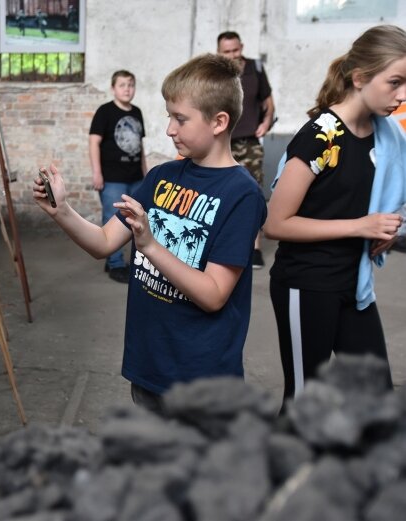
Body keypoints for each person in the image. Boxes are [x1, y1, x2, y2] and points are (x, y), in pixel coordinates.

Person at [34, 54, 266, 412]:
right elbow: (105, 242)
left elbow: (215, 294)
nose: (170, 129)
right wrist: (61, 210)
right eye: (169, 116)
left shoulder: (242, 194)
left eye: (181, 119)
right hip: (150, 365)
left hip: (202, 379)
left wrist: (151, 246)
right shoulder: (161, 177)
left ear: (219, 122)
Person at [263, 25, 406, 405]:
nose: (403, 95)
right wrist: (362, 226)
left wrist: (385, 230)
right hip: (306, 284)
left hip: (354, 285)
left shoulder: (386, 134)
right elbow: (276, 223)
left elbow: (378, 202)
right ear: (359, 77)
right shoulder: (321, 136)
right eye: (394, 82)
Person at [217, 31, 275, 269]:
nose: (232, 55)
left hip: (250, 141)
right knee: (220, 193)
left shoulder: (256, 68)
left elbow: (268, 102)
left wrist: (266, 122)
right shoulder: (216, 72)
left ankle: (255, 248)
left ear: (241, 46)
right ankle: (222, 244)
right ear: (219, 51)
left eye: (235, 50)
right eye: (226, 52)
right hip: (223, 140)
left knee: (253, 193)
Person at [89, 70, 147, 282]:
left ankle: (123, 260)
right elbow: (94, 142)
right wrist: (97, 173)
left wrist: (145, 174)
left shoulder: (137, 112)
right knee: (113, 220)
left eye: (130, 85)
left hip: (136, 176)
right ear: (113, 88)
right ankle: (115, 264)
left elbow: (139, 146)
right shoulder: (105, 111)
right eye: (122, 85)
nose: (127, 89)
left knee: (137, 220)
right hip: (112, 177)